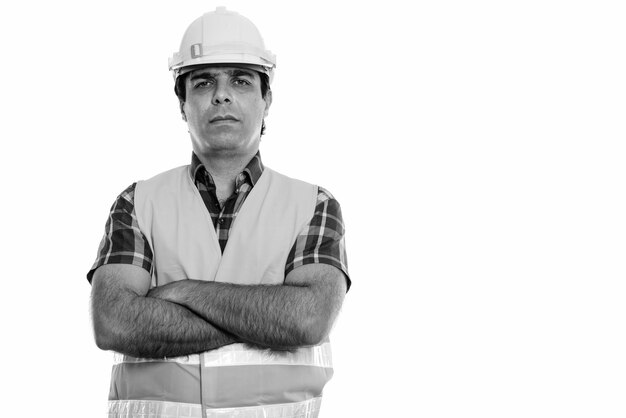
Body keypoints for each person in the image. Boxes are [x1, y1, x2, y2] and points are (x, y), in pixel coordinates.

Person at [87, 7, 350, 418]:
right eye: (203, 81)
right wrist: (263, 321)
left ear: (267, 99)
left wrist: (181, 292)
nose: (221, 94)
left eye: (241, 80)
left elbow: (306, 321)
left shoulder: (313, 205)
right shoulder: (136, 202)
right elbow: (114, 324)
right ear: (183, 103)